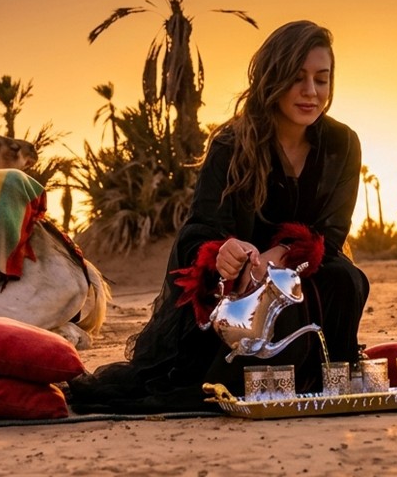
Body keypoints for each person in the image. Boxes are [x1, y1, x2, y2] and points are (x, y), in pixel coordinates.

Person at [67, 20, 369, 413]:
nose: (311, 92)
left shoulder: (343, 143)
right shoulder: (232, 143)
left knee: (347, 278)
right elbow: (200, 229)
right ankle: (249, 375)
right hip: (236, 291)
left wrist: (278, 257)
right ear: (272, 78)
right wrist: (225, 251)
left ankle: (326, 371)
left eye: (321, 79)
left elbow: (331, 232)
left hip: (307, 269)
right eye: (298, 78)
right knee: (208, 358)